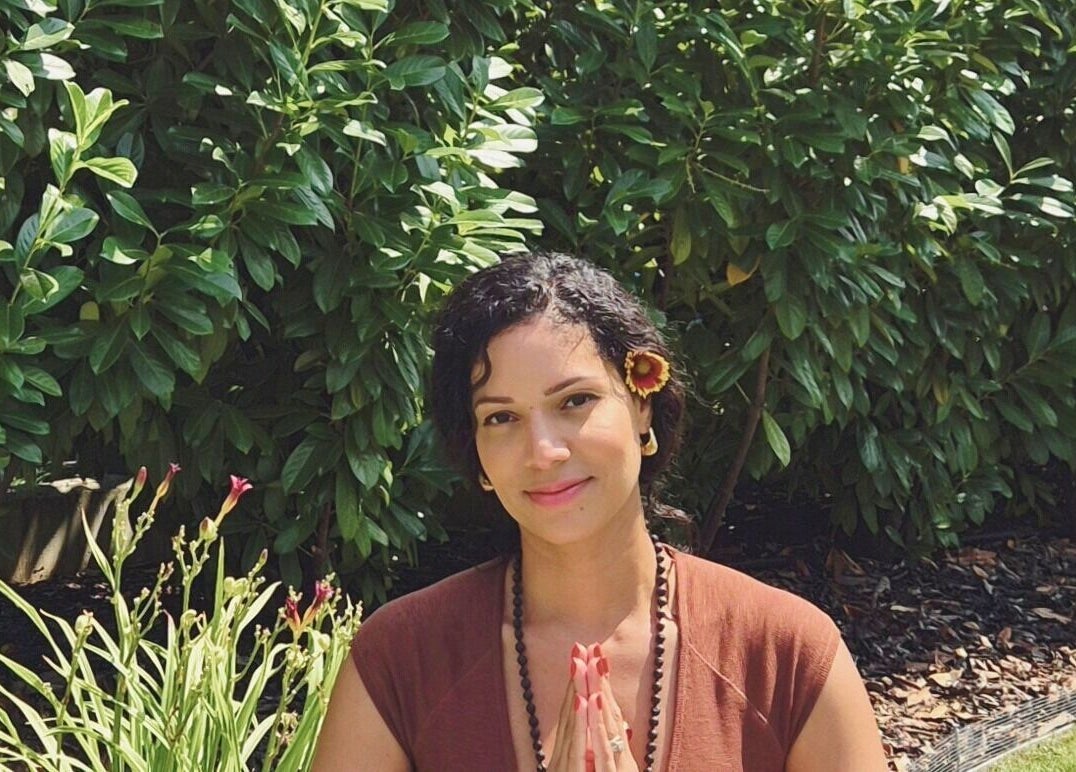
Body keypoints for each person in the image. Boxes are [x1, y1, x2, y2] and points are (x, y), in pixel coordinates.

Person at [313, 252, 888, 771]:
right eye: (501, 417)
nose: (544, 451)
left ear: (643, 407)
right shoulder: (401, 662)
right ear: (477, 453)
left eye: (575, 401)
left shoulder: (784, 656)